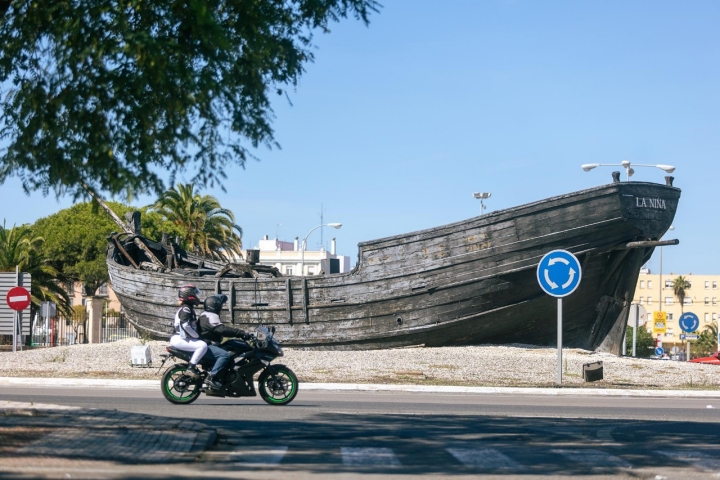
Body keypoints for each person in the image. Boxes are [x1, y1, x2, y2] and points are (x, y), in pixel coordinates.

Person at [198, 294, 251, 390]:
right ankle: (212, 378)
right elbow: (222, 330)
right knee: (225, 355)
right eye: (220, 305)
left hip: (209, 343)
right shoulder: (211, 316)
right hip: (208, 345)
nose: (221, 307)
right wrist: (241, 333)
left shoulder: (205, 314)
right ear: (214, 305)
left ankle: (224, 376)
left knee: (230, 346)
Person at [169, 285, 207, 378]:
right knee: (202, 345)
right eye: (195, 294)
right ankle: (191, 367)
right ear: (189, 295)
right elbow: (185, 325)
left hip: (180, 338)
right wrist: (196, 336)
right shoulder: (186, 309)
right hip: (180, 338)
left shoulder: (187, 308)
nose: (196, 297)